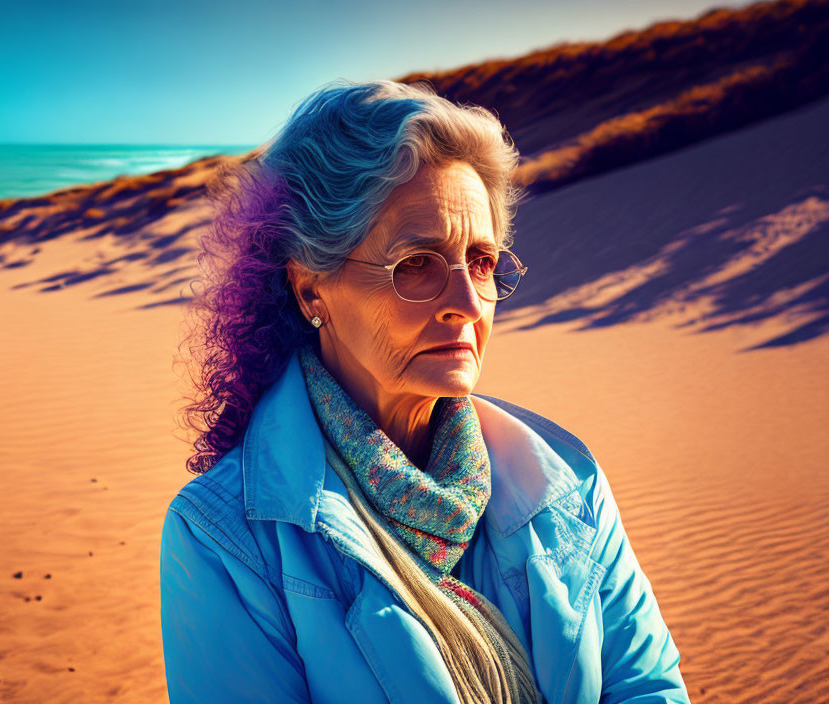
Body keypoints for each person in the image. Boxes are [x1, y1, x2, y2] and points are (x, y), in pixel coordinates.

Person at [160, 78, 691, 704]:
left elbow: (648, 690)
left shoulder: (565, 482)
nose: (467, 304)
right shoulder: (226, 537)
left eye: (484, 262)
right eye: (416, 263)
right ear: (311, 289)